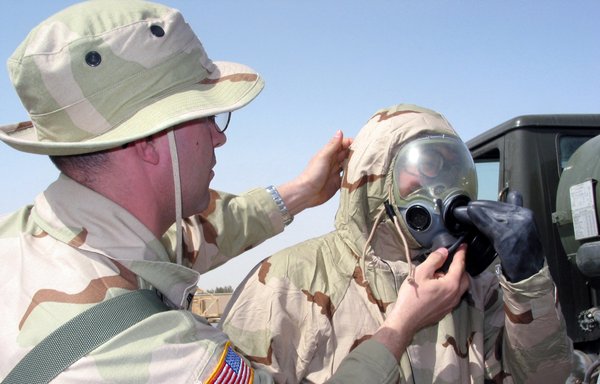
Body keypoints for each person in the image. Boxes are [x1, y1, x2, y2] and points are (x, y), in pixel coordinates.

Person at [0, 2, 470, 383]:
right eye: (207, 118)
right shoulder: (167, 358)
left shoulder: (31, 242)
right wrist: (399, 327)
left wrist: (301, 192)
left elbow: (191, 238)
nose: (219, 137)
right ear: (149, 143)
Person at [221, 103, 574, 383]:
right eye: (426, 166)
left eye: (453, 170)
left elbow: (548, 377)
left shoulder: (474, 281)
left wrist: (527, 282)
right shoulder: (288, 280)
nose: (442, 185)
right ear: (377, 181)